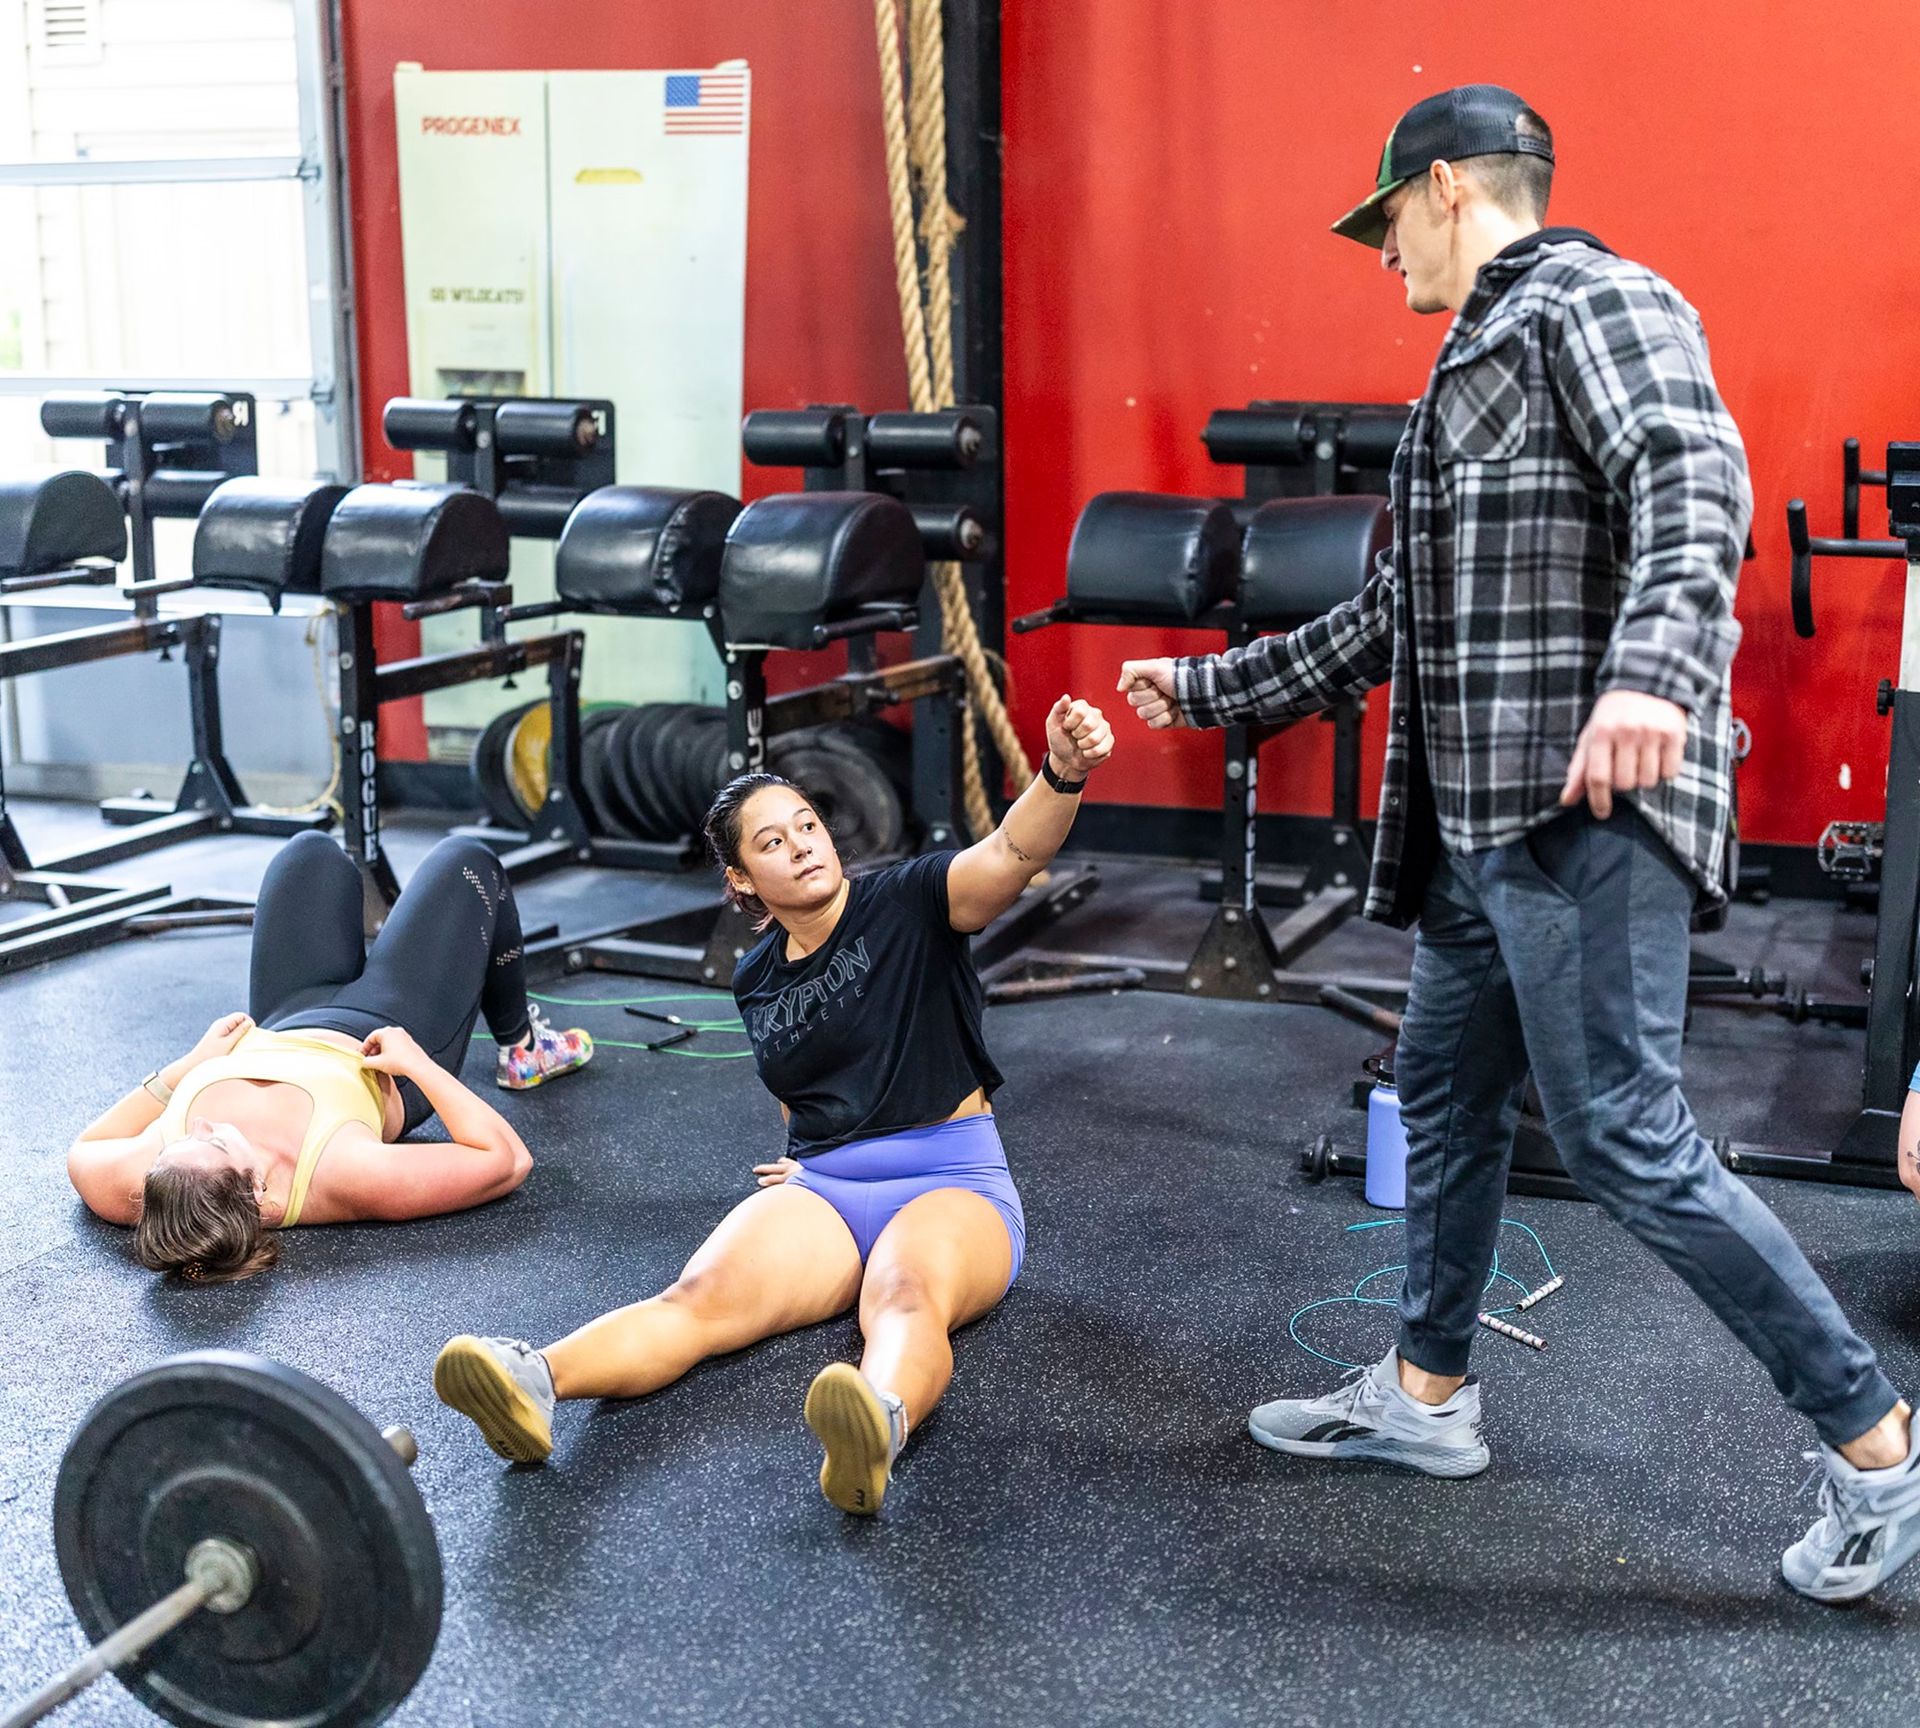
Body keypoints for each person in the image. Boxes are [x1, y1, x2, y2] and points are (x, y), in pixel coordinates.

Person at [1118, 85, 1919, 1603]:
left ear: (1440, 189)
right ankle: (1428, 1400)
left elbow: (1697, 478)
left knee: (1626, 1136)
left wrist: (1651, 676)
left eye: (1385, 227)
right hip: (1482, 829)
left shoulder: (1593, 301)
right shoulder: (1464, 371)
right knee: (1441, 1088)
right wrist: (1208, 684)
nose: (1380, 259)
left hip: (1582, 814)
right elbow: (1390, 622)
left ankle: (1880, 1446)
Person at [433, 694, 1114, 1515]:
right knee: (693, 1304)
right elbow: (801, 1086)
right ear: (741, 879)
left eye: (806, 826)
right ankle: (536, 1379)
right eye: (771, 842)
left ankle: (879, 1423)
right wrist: (806, 1153)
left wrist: (1062, 775)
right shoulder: (755, 977)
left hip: (951, 1180)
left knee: (901, 1297)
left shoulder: (908, 902)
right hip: (826, 1188)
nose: (799, 847)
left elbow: (1010, 850)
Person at [67, 830, 592, 1281]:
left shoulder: (154, 1188)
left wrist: (184, 1069)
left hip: (285, 1015)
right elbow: (506, 1161)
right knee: (468, 861)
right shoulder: (345, 1175)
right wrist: (418, 1065)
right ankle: (523, 1049)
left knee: (310, 854)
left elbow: (86, 1148)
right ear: (257, 1189)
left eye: (181, 1140)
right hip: (391, 1030)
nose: (199, 1123)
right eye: (214, 1141)